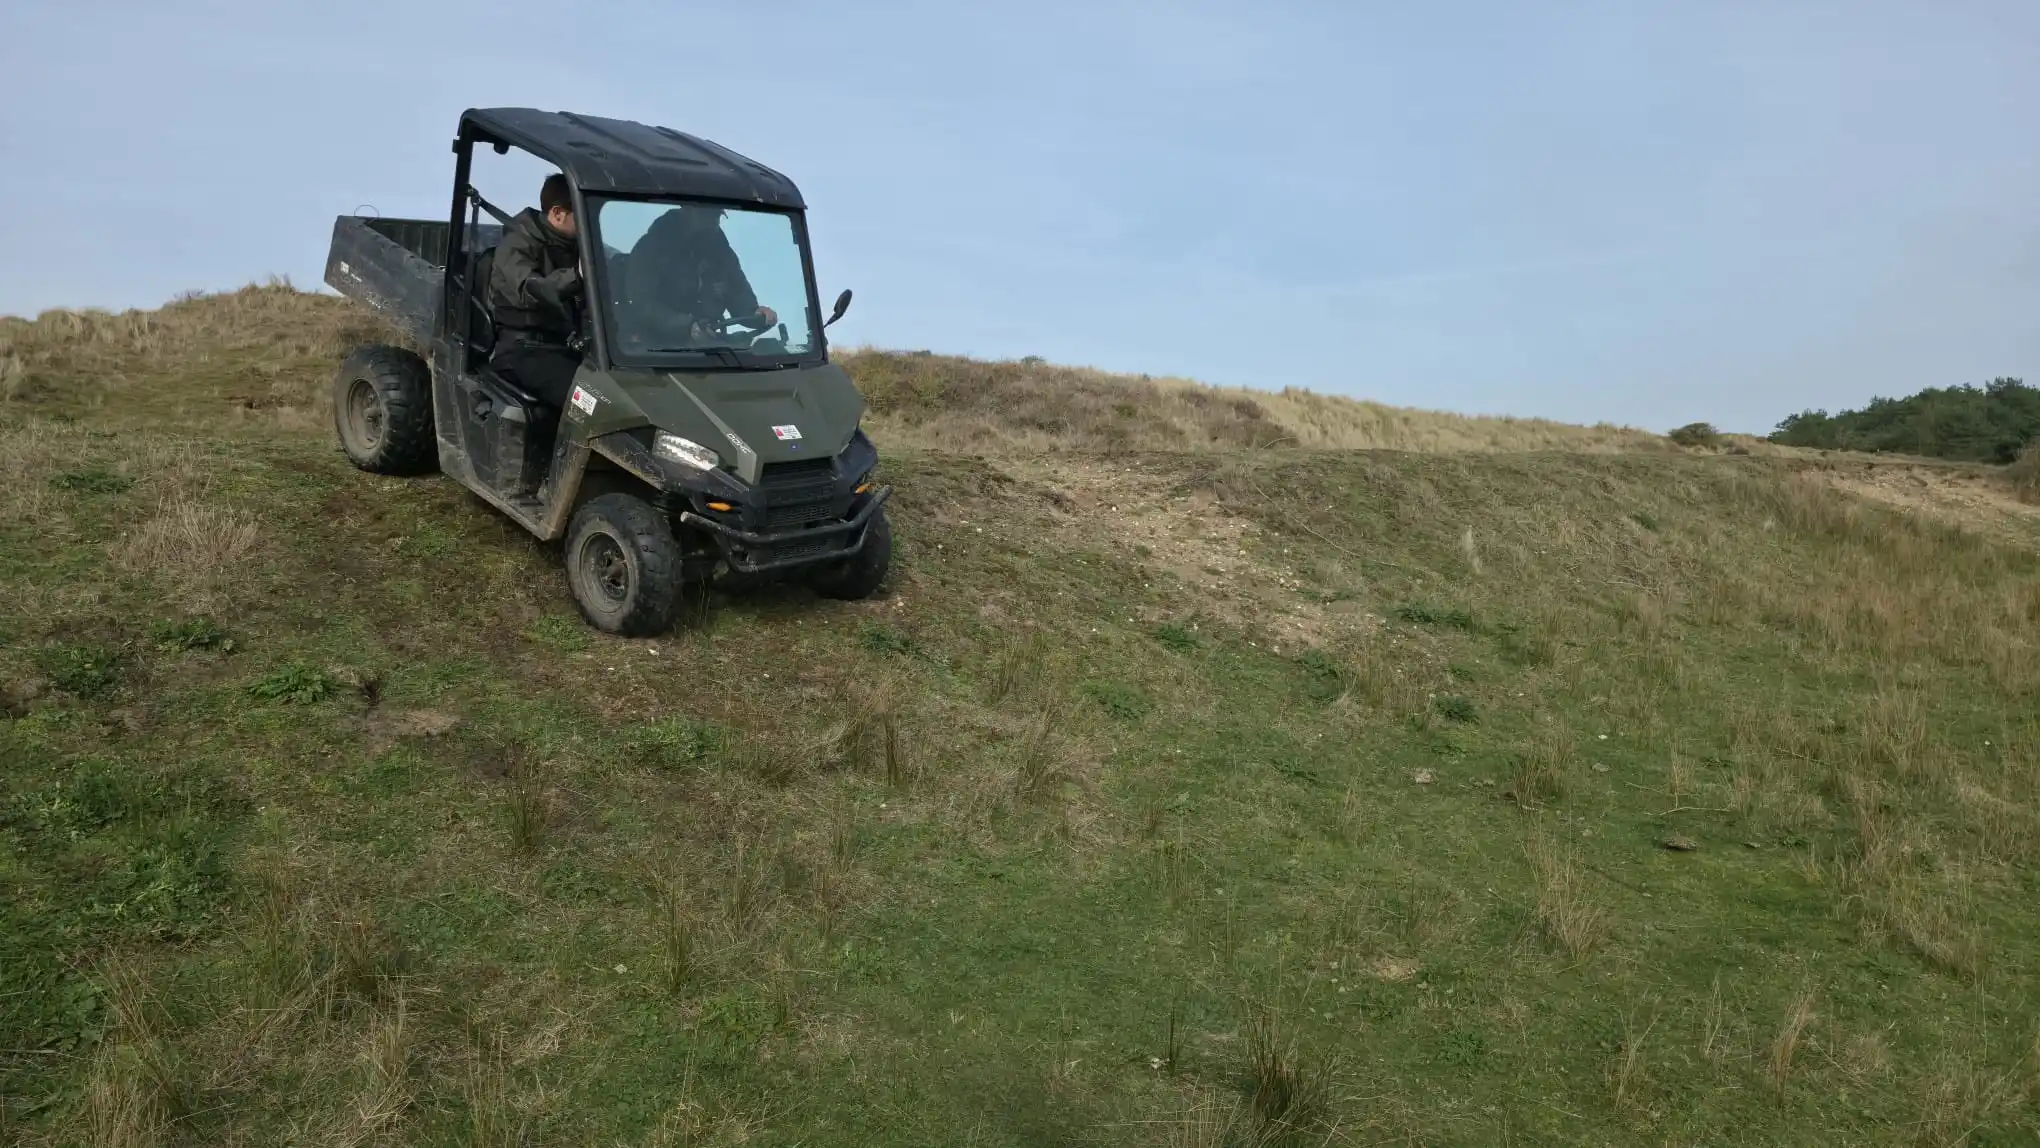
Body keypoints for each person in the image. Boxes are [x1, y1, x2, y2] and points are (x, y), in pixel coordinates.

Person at [485, 173, 584, 408]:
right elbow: (533, 289)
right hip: (522, 351)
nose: (588, 223)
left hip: (564, 347)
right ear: (558, 214)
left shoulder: (573, 245)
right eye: (583, 215)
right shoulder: (516, 247)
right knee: (586, 402)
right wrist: (578, 275)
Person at [625, 204, 775, 347]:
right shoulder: (650, 249)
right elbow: (643, 304)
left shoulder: (722, 254)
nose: (712, 222)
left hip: (708, 350)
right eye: (706, 214)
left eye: (716, 215)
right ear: (686, 210)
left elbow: (738, 293)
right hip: (655, 352)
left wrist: (755, 312)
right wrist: (687, 326)